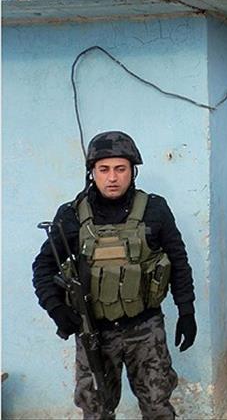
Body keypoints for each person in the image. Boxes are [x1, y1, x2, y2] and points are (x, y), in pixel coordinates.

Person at [32, 131, 196, 418]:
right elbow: (43, 267)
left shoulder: (155, 209)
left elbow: (179, 262)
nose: (112, 177)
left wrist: (187, 311)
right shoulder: (71, 215)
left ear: (132, 171)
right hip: (94, 332)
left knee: (158, 407)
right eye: (104, 169)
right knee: (97, 411)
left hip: (145, 329)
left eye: (120, 169)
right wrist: (56, 308)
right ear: (92, 172)